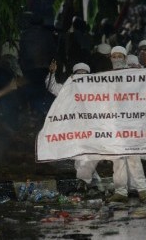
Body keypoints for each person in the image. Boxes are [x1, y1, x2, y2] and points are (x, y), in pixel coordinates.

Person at [45, 60, 104, 192]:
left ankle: (87, 183)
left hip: (91, 130)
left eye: (84, 74)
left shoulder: (95, 91)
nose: (81, 77)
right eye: (78, 74)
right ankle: (92, 183)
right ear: (73, 75)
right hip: (74, 130)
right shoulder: (67, 90)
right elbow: (52, 87)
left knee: (86, 157)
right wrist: (51, 73)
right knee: (80, 157)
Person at [107, 46, 146, 203]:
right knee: (117, 159)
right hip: (113, 123)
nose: (117, 58)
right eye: (114, 56)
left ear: (125, 58)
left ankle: (142, 189)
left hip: (131, 122)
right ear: (110, 58)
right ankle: (120, 191)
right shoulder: (104, 77)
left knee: (133, 157)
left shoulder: (132, 76)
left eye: (120, 56)